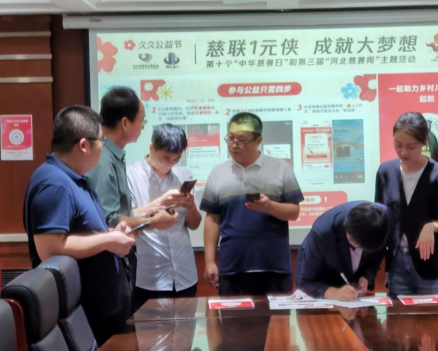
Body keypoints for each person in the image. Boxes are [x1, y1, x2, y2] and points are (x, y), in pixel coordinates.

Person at [23, 105, 136, 345]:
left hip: (102, 312)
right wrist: (108, 240)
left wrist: (111, 233)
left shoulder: (73, 178)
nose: (103, 147)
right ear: (84, 145)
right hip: (85, 316)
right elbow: (50, 249)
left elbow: (83, 232)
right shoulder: (54, 184)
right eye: (102, 141)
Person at [87, 87, 178, 297]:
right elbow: (109, 220)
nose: (143, 127)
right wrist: (154, 222)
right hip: (107, 262)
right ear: (125, 123)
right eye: (141, 121)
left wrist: (155, 208)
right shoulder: (103, 159)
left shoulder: (113, 154)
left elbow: (121, 211)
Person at [201, 112, 304, 296]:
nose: (234, 145)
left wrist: (270, 206)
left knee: (278, 316)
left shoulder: (281, 168)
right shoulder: (218, 173)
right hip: (232, 268)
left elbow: (294, 212)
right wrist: (209, 261)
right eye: (230, 138)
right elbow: (212, 219)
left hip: (274, 268)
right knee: (232, 316)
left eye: (242, 140)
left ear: (258, 140)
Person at [375, 112, 438, 296]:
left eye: (411, 146)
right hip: (397, 265)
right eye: (398, 144)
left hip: (432, 265)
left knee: (435, 315)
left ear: (424, 142)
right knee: (398, 315)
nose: (403, 152)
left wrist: (432, 226)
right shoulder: (385, 172)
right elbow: (380, 216)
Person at [127, 124, 202, 311]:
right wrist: (160, 203)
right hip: (148, 276)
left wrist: (190, 206)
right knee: (149, 329)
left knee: (186, 328)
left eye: (176, 159)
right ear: (152, 147)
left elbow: (194, 224)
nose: (171, 164)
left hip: (184, 273)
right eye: (166, 158)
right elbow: (125, 218)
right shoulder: (130, 174)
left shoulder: (184, 174)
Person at [296, 201, 390, 301]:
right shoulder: (323, 233)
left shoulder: (383, 224)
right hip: (325, 281)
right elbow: (305, 282)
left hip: (355, 295)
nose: (357, 247)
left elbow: (375, 259)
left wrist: (365, 278)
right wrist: (334, 293)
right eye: (354, 241)